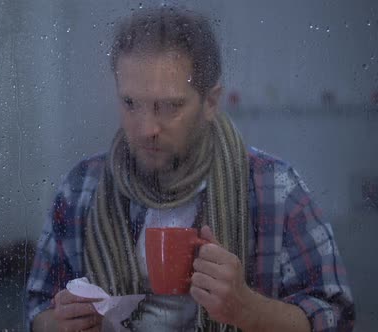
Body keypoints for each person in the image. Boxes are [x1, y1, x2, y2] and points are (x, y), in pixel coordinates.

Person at [25, 6, 355, 332]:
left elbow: (336, 318)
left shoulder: (275, 189)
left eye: (169, 106)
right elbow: (38, 310)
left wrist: (249, 309)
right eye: (130, 103)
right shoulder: (82, 188)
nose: (146, 128)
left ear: (210, 102)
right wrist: (62, 322)